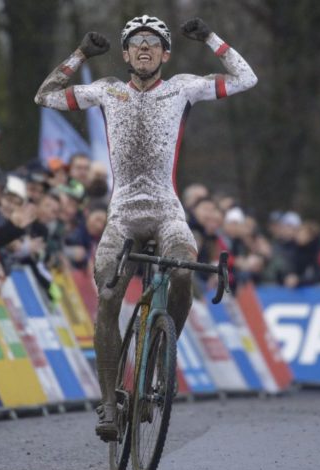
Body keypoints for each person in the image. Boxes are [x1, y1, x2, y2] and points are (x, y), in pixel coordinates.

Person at [34, 14, 256, 441]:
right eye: (135, 42)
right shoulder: (107, 90)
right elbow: (45, 97)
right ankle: (110, 403)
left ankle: (160, 359)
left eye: (153, 42)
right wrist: (78, 54)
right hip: (122, 216)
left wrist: (211, 37)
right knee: (109, 298)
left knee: (182, 273)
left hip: (167, 212)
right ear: (124, 53)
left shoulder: (182, 87)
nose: (144, 47)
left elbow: (246, 78)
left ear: (165, 54)